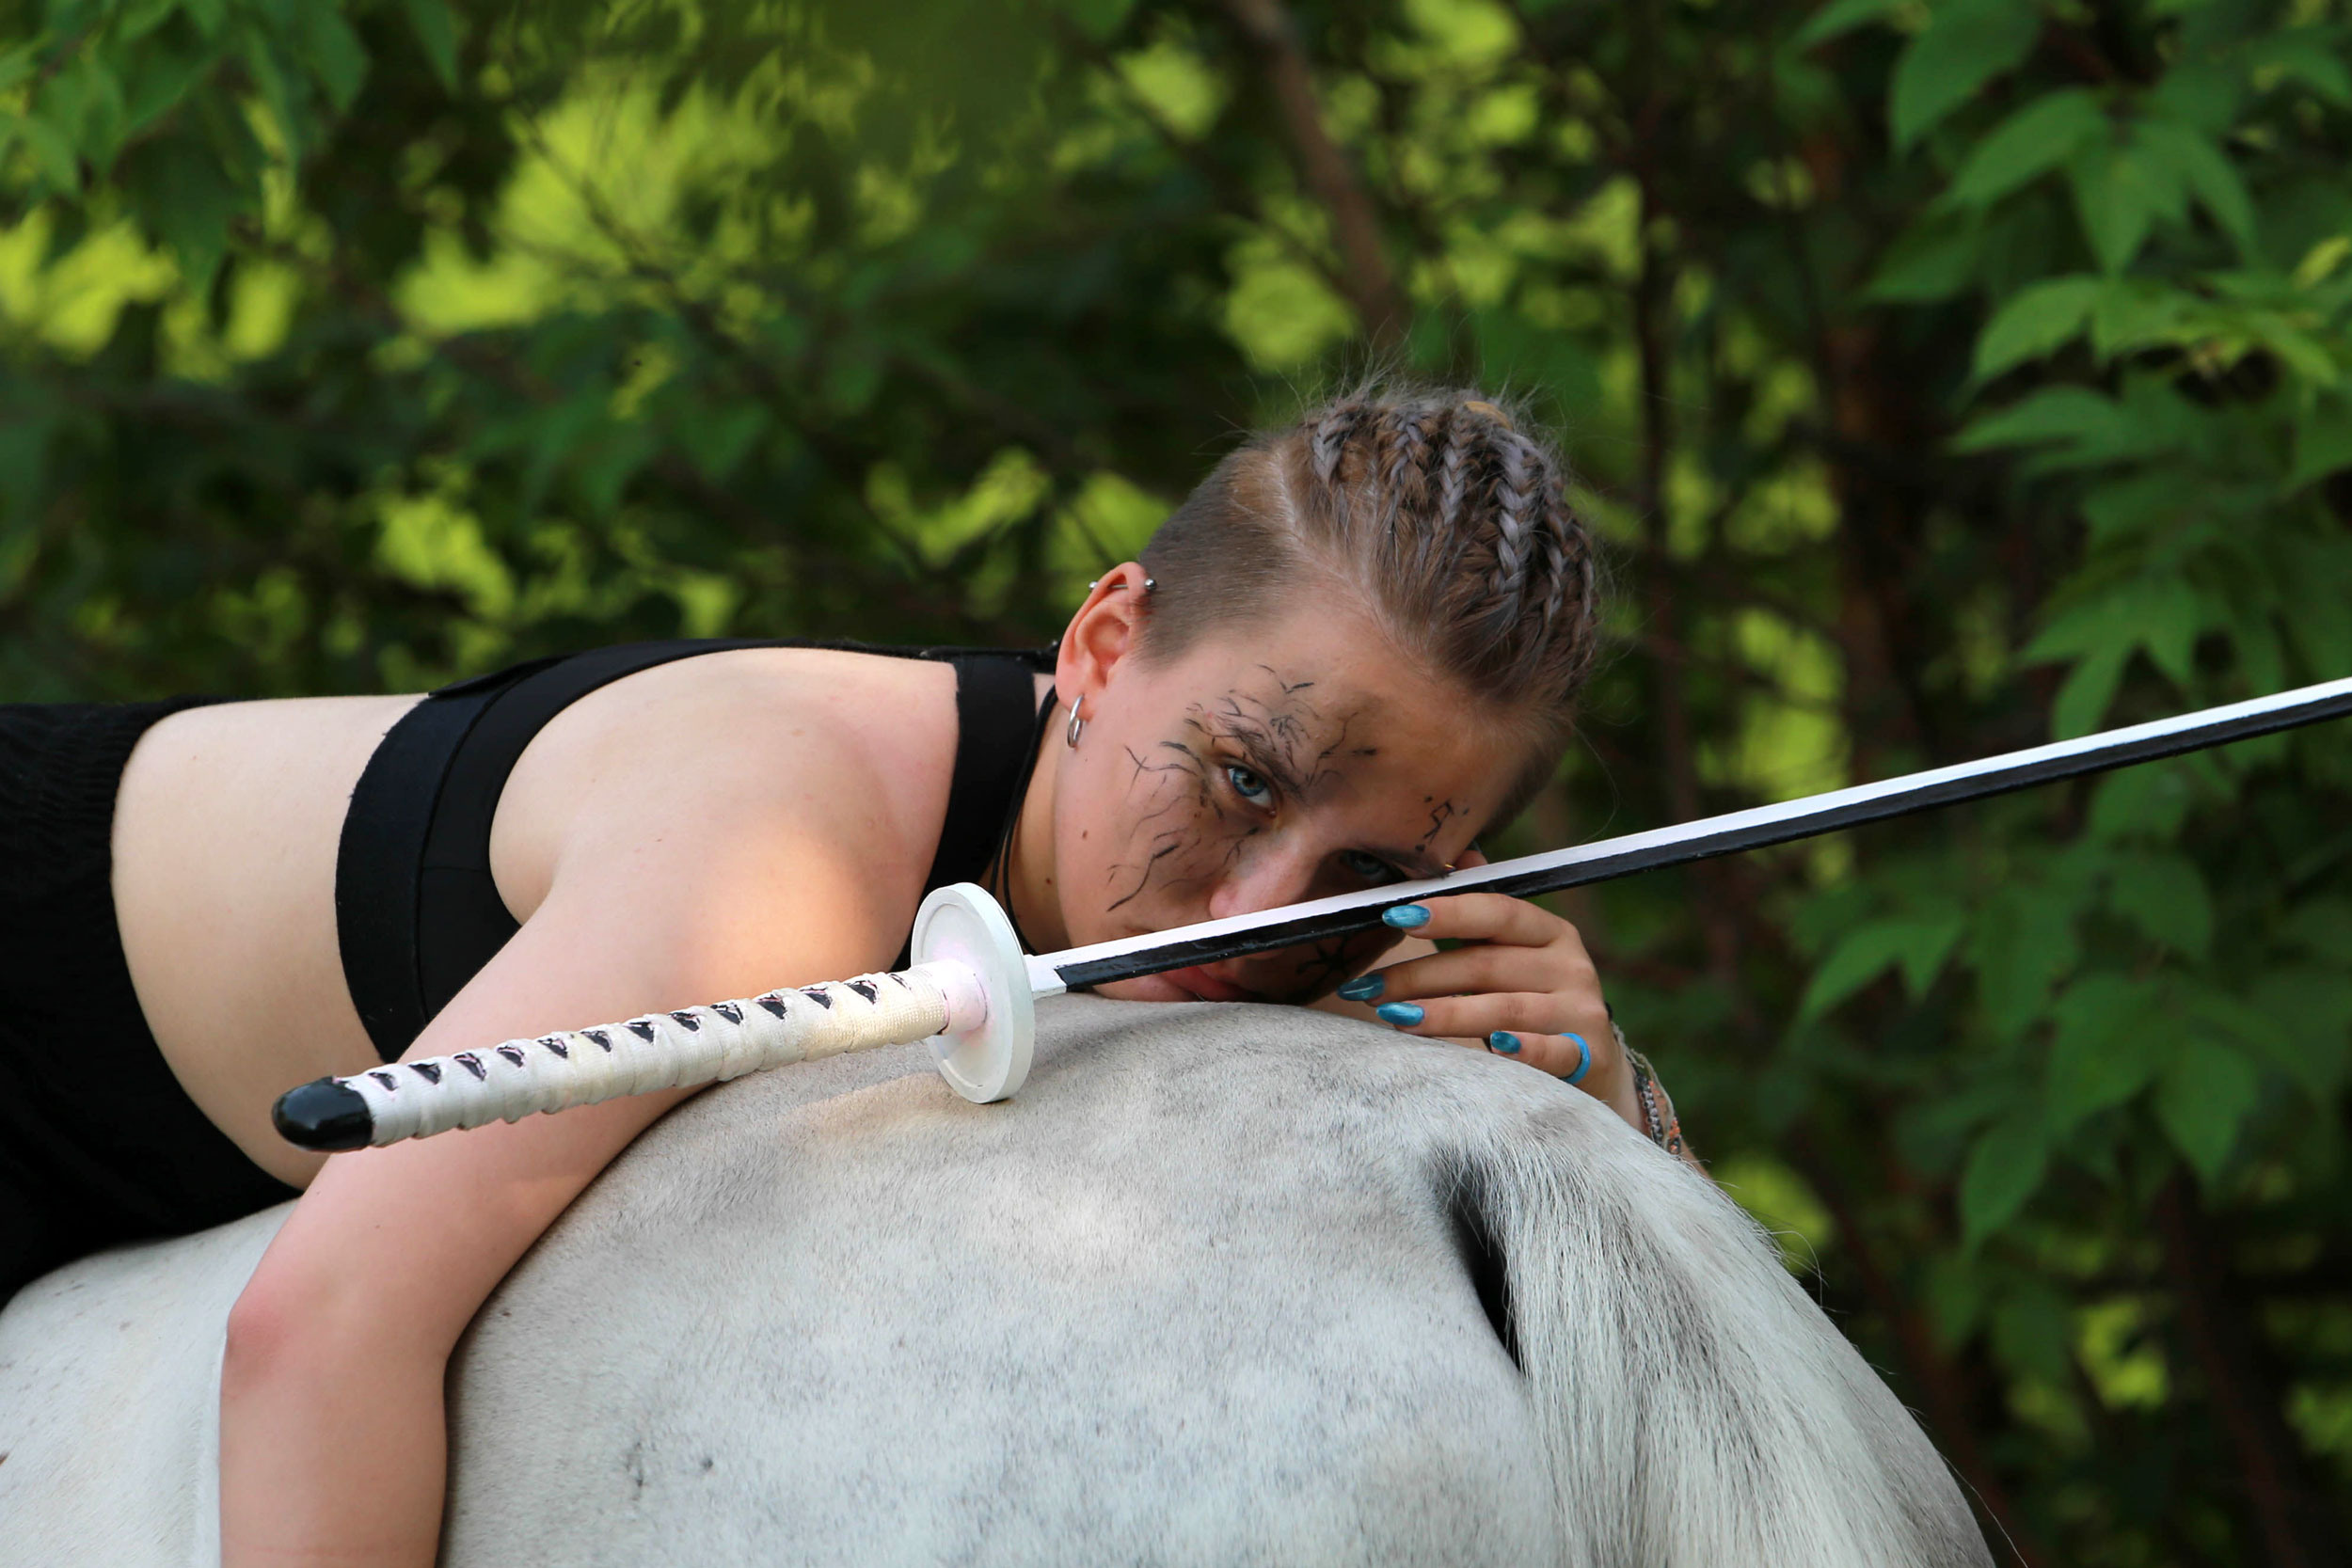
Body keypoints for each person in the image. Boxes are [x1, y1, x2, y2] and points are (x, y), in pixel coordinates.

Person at [0, 385, 1688, 1565]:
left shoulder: (1342, 937)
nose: (1259, 910)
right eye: (1242, 779)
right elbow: (325, 1322)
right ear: (1104, 643)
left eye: (1372, 871)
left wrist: (1603, 1096)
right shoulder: (777, 862)